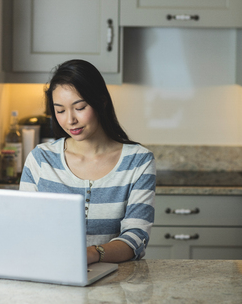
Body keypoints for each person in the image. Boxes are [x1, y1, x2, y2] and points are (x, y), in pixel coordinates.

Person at [20, 59, 156, 265]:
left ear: (101, 102)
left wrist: (93, 253)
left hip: (116, 284)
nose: (70, 120)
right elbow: (25, 228)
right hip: (50, 275)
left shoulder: (138, 161)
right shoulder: (40, 159)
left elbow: (136, 237)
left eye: (80, 107)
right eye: (60, 110)